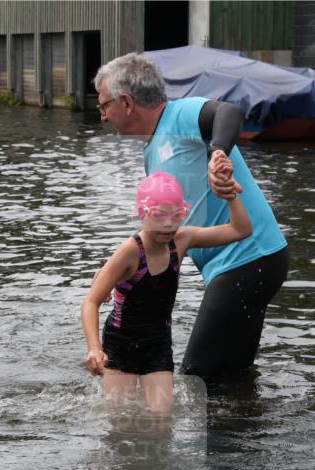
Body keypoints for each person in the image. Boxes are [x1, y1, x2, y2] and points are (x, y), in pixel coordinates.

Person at [94, 53, 289, 380]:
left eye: (103, 106)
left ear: (126, 102)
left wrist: (217, 153)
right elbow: (167, 228)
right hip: (241, 264)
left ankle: (216, 429)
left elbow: (228, 112)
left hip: (247, 259)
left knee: (194, 378)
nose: (102, 116)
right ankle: (244, 426)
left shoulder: (180, 114)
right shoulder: (152, 149)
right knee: (231, 376)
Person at [82, 171, 251, 413]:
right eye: (159, 216)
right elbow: (91, 302)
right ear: (142, 214)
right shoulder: (129, 252)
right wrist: (95, 348)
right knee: (121, 422)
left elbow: (240, 230)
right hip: (121, 343)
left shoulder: (181, 241)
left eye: (177, 215)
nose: (169, 224)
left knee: (162, 423)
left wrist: (231, 195)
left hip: (158, 342)